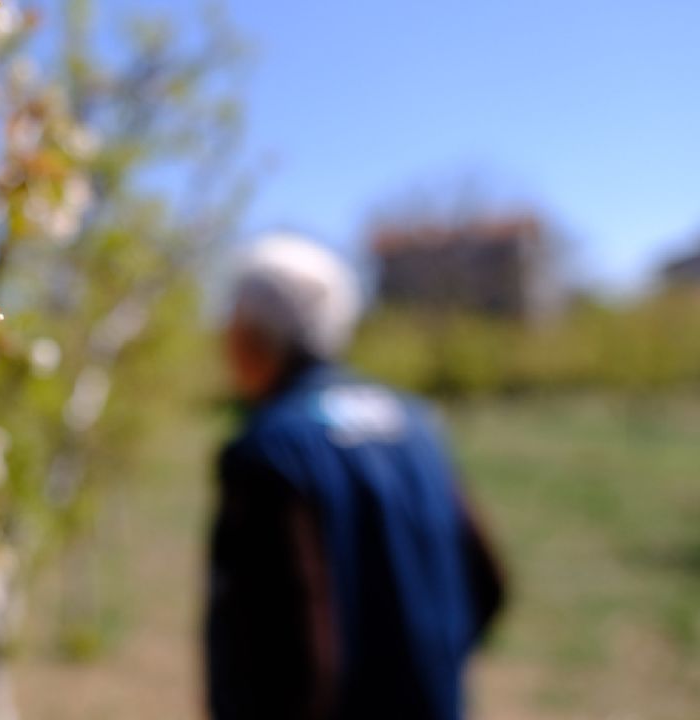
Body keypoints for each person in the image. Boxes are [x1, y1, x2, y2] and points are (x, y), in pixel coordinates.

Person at [206, 234, 505, 720]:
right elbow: (486, 584)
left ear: (250, 334)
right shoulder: (416, 424)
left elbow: (282, 651)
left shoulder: (269, 451)